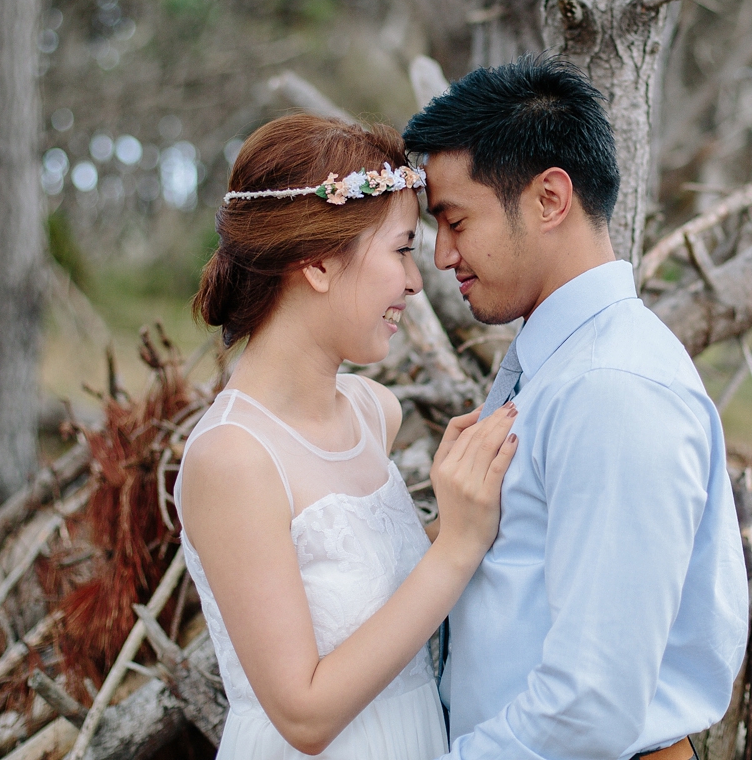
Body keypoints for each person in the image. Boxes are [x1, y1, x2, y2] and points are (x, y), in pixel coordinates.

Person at [403, 56, 750, 760]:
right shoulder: (557, 360)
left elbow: (587, 704)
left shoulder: (613, 389)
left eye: (455, 220)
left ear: (550, 199)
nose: (441, 254)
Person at [178, 113, 519, 759]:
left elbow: (370, 587)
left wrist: (453, 514)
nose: (417, 282)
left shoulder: (374, 413)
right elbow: (303, 713)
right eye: (400, 250)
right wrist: (455, 548)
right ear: (317, 263)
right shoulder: (232, 458)